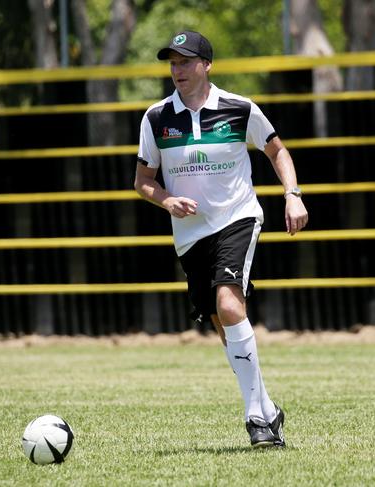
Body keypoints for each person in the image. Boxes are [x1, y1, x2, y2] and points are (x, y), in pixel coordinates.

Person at [134, 31, 308, 447]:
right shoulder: (156, 118)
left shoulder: (239, 108)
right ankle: (266, 407)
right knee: (221, 325)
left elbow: (277, 152)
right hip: (190, 236)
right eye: (173, 63)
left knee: (229, 304)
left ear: (206, 64)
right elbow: (143, 181)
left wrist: (293, 194)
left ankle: (255, 420)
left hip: (237, 218)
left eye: (186, 62)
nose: (178, 70)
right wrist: (167, 199)